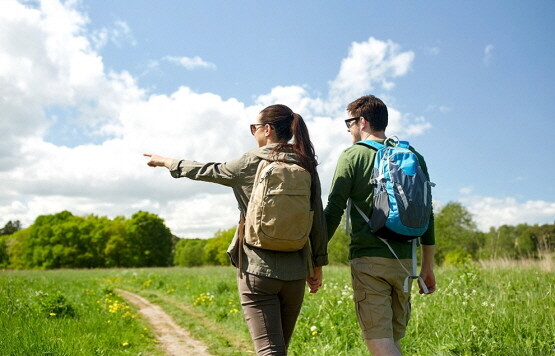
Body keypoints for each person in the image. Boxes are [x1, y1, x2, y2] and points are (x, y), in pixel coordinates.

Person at [144, 104, 328, 355]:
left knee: (270, 351)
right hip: (295, 273)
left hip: (256, 271)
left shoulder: (249, 161)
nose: (253, 132)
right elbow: (317, 219)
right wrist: (316, 265)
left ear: (267, 129)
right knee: (279, 349)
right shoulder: (306, 163)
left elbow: (205, 170)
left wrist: (167, 161)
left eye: (254, 127)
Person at [324, 95, 436, 356]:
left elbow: (334, 210)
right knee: (393, 342)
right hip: (406, 264)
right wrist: (427, 266)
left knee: (379, 343)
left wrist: (315, 256)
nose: (349, 129)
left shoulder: (353, 155)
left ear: (362, 122)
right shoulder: (413, 156)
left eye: (349, 122)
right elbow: (428, 214)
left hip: (368, 262)